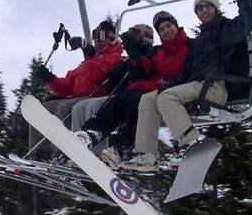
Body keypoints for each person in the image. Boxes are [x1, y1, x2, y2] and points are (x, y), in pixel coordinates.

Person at [121, 0, 252, 172]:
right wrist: (173, 83)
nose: (204, 10)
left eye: (208, 6)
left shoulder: (226, 30)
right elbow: (188, 68)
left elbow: (249, 19)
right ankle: (146, 155)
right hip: (196, 85)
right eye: (200, 8)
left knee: (167, 98)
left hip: (214, 86)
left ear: (216, 9)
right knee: (148, 99)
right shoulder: (200, 40)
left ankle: (191, 146)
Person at [75, 11, 189, 168]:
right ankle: (91, 133)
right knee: (121, 99)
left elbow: (175, 71)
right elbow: (140, 72)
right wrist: (133, 59)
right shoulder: (156, 53)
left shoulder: (186, 46)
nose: (166, 31)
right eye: (161, 29)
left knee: (137, 99)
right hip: (142, 90)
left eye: (168, 26)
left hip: (165, 91)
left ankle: (121, 148)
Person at [28, 20, 123, 159]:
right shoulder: (86, 62)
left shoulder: (114, 58)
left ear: (111, 37)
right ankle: (39, 155)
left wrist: (89, 52)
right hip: (78, 99)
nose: (96, 39)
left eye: (101, 35)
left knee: (64, 108)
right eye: (94, 35)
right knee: (44, 109)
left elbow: (99, 75)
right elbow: (67, 87)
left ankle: (60, 155)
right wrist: (49, 78)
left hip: (97, 100)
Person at [69, 24, 155, 155]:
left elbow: (142, 73)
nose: (97, 40)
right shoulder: (126, 61)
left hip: (139, 94)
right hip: (122, 94)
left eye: (135, 35)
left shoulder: (150, 55)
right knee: (79, 107)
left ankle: (97, 151)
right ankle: (84, 137)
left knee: (94, 104)